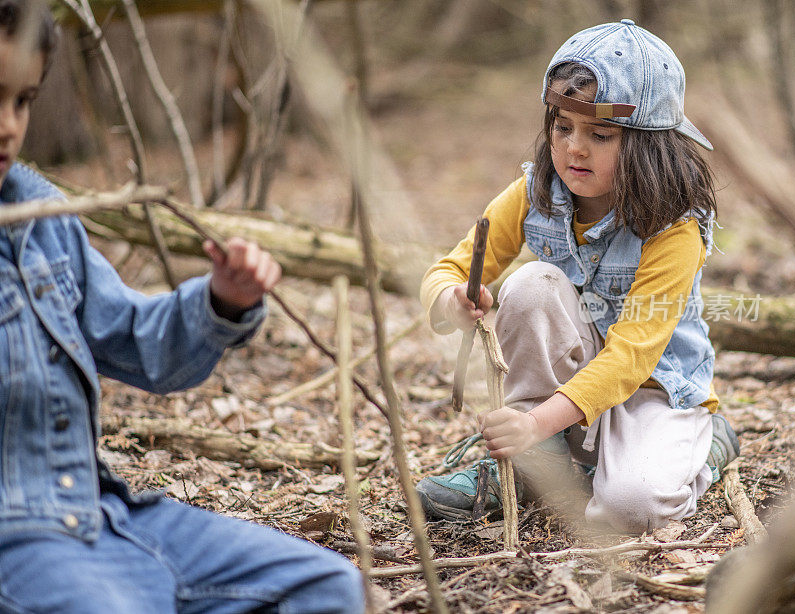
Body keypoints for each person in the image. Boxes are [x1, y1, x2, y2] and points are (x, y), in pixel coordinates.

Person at [0, 2, 364, 612]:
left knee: (325, 587)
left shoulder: (41, 218)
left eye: (22, 100)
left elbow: (138, 340)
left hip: (104, 516)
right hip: (18, 545)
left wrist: (223, 299)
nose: (9, 125)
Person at [416, 19, 740, 534]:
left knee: (631, 510)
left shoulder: (674, 229)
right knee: (532, 283)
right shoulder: (535, 192)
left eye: (600, 134)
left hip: (654, 391)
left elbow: (631, 358)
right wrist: (452, 300)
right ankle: (531, 465)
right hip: (565, 395)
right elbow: (448, 269)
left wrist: (531, 422)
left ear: (648, 144)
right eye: (562, 127)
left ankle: (706, 444)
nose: (573, 149)